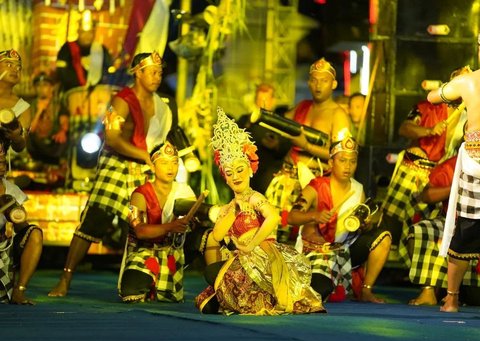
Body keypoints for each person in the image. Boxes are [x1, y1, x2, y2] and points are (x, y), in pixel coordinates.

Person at [48, 51, 175, 297]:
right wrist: (144, 155)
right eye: (152, 72)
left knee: (148, 223)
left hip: (142, 165)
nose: (157, 77)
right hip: (116, 163)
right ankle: (65, 278)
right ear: (138, 73)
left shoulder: (161, 104)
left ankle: (148, 282)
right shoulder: (122, 100)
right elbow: (112, 138)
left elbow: (160, 139)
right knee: (94, 219)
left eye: (160, 72)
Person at [195, 108, 325, 315]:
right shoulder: (231, 206)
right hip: (241, 259)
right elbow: (217, 235)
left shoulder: (254, 197)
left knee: (217, 279)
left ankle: (256, 298)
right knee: (210, 286)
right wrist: (233, 211)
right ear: (225, 177)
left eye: (240, 170)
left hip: (261, 257)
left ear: (250, 169)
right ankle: (237, 297)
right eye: (230, 173)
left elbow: (273, 217)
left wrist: (251, 245)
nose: (236, 176)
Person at [287, 135, 391, 303]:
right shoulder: (316, 187)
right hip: (316, 253)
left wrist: (364, 225)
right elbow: (292, 217)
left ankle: (366, 290)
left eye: (352, 161)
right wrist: (314, 215)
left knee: (383, 237)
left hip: (344, 251)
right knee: (319, 291)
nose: (348, 166)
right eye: (342, 160)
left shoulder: (358, 189)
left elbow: (359, 224)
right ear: (331, 162)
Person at [381, 67, 469, 256]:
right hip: (412, 171)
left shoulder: (471, 114)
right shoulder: (426, 107)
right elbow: (405, 128)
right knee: (391, 222)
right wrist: (428, 131)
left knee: (421, 228)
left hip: (438, 178)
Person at [265, 58, 351, 242]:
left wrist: (306, 145)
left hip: (312, 184)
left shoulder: (338, 115)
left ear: (334, 84)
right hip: (286, 177)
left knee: (299, 240)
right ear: (309, 82)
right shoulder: (303, 106)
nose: (318, 85)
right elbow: (281, 126)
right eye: (314, 80)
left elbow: (342, 155)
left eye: (324, 80)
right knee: (270, 233)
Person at [427, 63, 480, 312]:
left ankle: (452, 299)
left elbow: (433, 97)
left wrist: (454, 86)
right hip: (474, 159)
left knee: (467, 227)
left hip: (475, 160)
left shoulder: (468, 81)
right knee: (467, 227)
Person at [118, 141, 196, 303]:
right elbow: (140, 230)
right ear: (153, 167)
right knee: (131, 292)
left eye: (174, 163)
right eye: (164, 163)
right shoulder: (138, 195)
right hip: (144, 252)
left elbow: (192, 226)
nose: (170, 168)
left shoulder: (185, 191)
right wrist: (171, 227)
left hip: (172, 252)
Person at [406, 155, 480, 306]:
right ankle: (430, 292)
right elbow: (426, 195)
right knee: (423, 231)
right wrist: (456, 186)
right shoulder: (455, 164)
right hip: (455, 224)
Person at [0, 144, 43, 305]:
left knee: (34, 233)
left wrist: (15, 217)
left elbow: (21, 226)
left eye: (3, 162)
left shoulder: (11, 190)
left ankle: (19, 291)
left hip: (4, 246)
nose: (1, 165)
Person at [236, 83, 291, 193]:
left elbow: (288, 144)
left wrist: (276, 145)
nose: (262, 103)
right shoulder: (245, 120)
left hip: (269, 176)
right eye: (260, 99)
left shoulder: (280, 123)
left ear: (273, 100)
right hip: (247, 176)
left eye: (266, 99)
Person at [56, 10, 112, 93]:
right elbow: (62, 72)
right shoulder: (67, 48)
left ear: (94, 33)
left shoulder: (101, 49)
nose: (87, 36)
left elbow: (108, 72)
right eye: (83, 33)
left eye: (90, 33)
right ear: (78, 32)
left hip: (97, 95)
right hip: (72, 92)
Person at [27, 72, 69, 165]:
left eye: (45, 85)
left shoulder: (58, 105)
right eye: (38, 85)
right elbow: (30, 130)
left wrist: (62, 131)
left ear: (52, 87)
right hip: (36, 146)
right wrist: (39, 111)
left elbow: (64, 122)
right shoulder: (30, 106)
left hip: (53, 144)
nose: (41, 88)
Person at [0, 49, 30, 154]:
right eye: (9, 65)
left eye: (19, 67)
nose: (15, 70)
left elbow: (21, 147)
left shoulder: (22, 107)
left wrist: (16, 137)